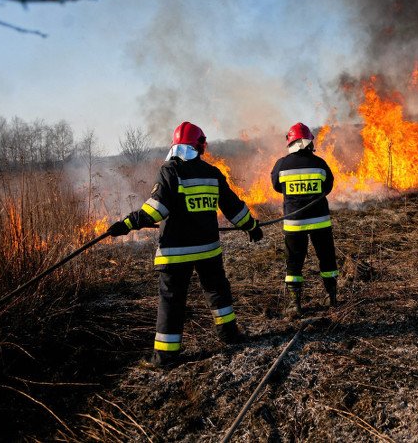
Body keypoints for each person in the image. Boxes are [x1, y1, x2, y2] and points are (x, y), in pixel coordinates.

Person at [108, 121, 263, 368]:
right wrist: (251, 227)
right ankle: (229, 336)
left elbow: (156, 210)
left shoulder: (170, 171)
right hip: (208, 250)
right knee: (217, 291)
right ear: (200, 146)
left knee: (172, 301)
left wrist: (127, 223)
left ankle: (165, 357)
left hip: (176, 253)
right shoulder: (212, 173)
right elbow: (234, 207)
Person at [270, 122, 338, 317]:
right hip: (321, 223)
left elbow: (276, 186)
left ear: (291, 143)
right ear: (309, 142)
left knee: (294, 262)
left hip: (294, 224)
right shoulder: (320, 164)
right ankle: (332, 297)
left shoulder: (281, 165)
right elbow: (328, 186)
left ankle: (295, 303)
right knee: (326, 259)